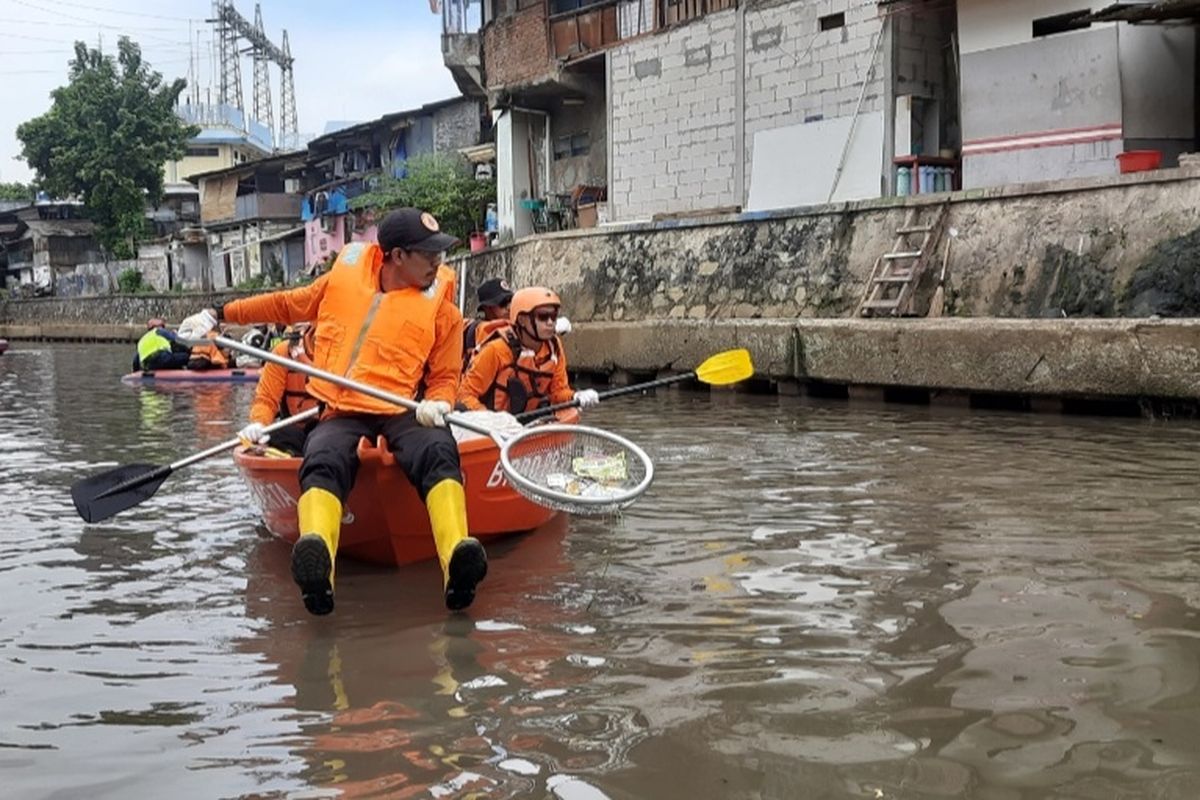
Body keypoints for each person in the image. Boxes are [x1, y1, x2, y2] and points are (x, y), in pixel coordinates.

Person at [181, 207, 484, 616]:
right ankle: (318, 561)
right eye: (427, 253)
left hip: (403, 407)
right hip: (340, 408)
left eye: (440, 253)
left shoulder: (443, 310)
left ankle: (457, 560)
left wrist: (441, 402)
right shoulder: (341, 281)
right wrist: (220, 314)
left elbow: (446, 375)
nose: (438, 262)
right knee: (321, 458)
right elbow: (287, 305)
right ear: (395, 256)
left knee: (438, 450)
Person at [457, 286, 599, 415]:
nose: (550, 323)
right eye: (543, 317)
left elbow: (558, 392)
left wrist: (574, 396)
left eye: (554, 316)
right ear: (522, 320)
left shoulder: (554, 347)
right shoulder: (497, 349)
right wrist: (489, 419)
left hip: (527, 423)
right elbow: (464, 395)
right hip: (490, 427)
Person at [237, 324, 319, 456]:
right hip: (295, 434)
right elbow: (266, 399)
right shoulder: (282, 353)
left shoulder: (347, 353)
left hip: (332, 433)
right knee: (270, 435)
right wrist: (259, 423)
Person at [462, 278, 512, 372]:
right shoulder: (480, 329)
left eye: (511, 301)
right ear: (487, 307)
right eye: (503, 303)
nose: (509, 308)